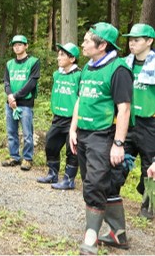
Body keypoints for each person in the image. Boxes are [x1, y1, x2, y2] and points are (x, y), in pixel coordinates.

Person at [68, 22, 132, 254]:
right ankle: (118, 234)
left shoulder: (119, 69)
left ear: (102, 45)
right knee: (97, 182)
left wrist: (118, 143)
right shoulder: (88, 67)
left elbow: (124, 109)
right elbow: (80, 99)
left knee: (94, 184)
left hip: (103, 134)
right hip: (83, 133)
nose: (82, 44)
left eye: (87, 40)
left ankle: (91, 236)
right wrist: (73, 129)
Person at [120, 23, 155, 220]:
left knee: (149, 165)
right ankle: (110, 195)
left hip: (150, 123)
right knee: (119, 159)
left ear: (149, 41)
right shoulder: (125, 64)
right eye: (130, 40)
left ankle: (149, 204)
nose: (132, 43)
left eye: (137, 40)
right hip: (127, 121)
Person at [36, 43, 81, 190]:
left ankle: (69, 179)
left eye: (62, 55)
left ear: (72, 58)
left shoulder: (79, 75)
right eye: (59, 54)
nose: (58, 57)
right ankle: (52, 173)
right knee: (50, 144)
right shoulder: (57, 74)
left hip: (72, 119)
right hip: (58, 117)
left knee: (72, 149)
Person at [2, 35, 40, 171]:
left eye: (20, 44)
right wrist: (10, 96)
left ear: (26, 46)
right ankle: (14, 156)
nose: (17, 46)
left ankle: (28, 158)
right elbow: (6, 82)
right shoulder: (9, 64)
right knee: (11, 131)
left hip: (25, 103)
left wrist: (15, 96)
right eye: (14, 44)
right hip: (10, 103)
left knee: (27, 133)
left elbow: (31, 83)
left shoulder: (33, 62)